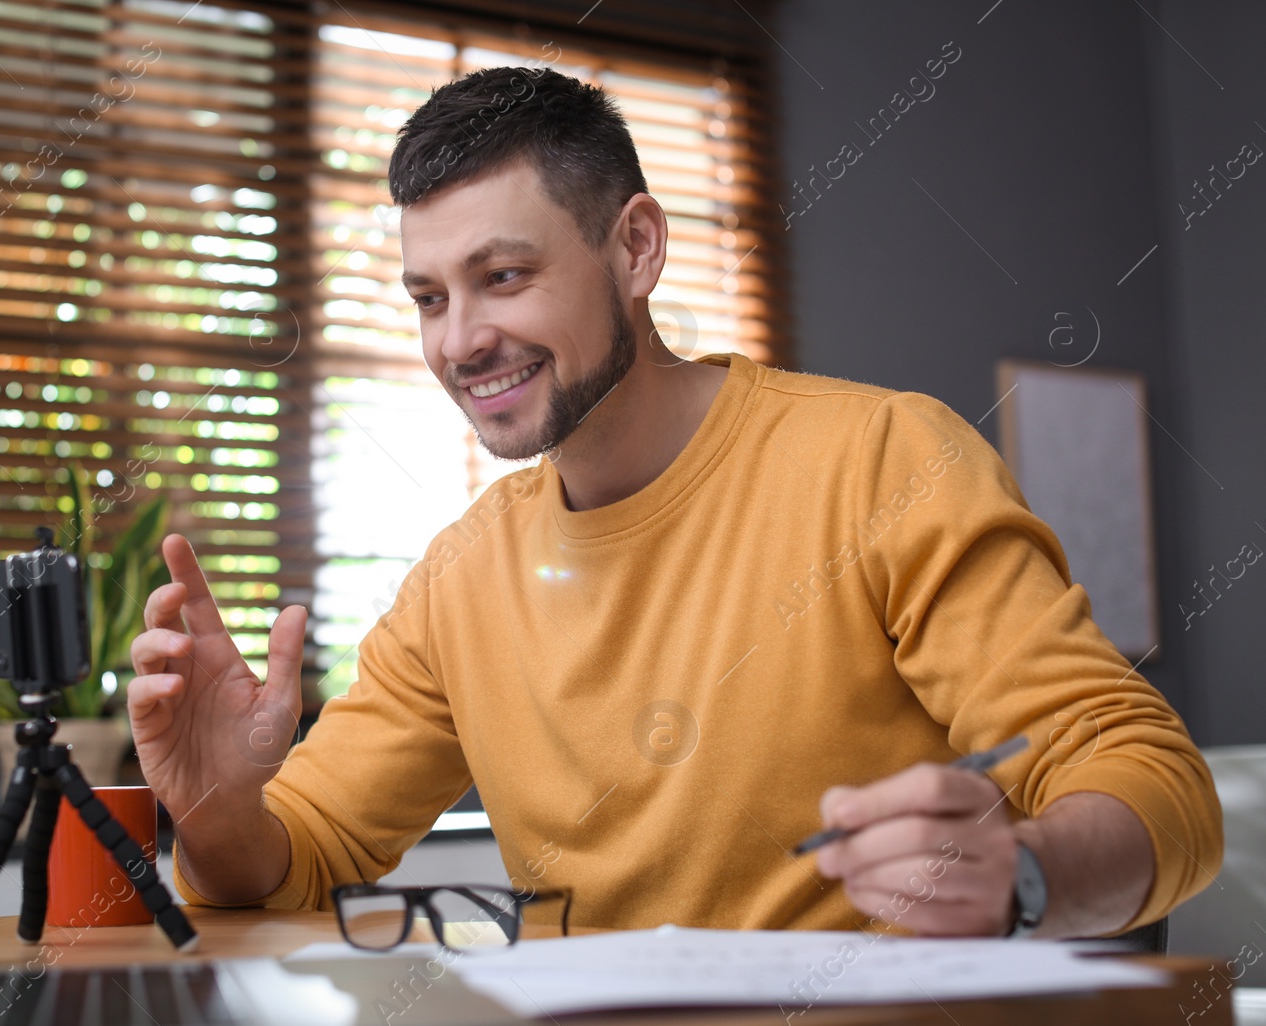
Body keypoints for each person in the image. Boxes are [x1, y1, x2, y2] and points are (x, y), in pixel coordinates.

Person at [128, 67, 1222, 938]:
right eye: (429, 297)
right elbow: (299, 856)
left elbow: (1148, 779)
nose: (459, 340)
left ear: (636, 248)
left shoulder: (883, 461)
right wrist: (220, 807)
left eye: (503, 276)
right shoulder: (460, 579)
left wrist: (1023, 873)